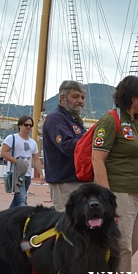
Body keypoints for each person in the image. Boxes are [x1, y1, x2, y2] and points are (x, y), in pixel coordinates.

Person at [92, 76, 138, 274]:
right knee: (124, 245)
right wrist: (106, 197)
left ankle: (106, 272)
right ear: (133, 97)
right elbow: (97, 158)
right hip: (120, 192)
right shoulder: (110, 120)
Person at [42, 80, 87, 211]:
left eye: (82, 97)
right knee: (67, 224)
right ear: (62, 98)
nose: (80, 101)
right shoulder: (56, 118)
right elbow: (67, 145)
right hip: (65, 182)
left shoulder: (73, 121)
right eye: (75, 96)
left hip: (76, 181)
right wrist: (92, 143)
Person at [0, 116, 44, 208]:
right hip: (16, 174)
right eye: (26, 124)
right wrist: (17, 162)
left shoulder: (33, 143)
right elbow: (3, 153)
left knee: (17, 200)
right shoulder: (11, 138)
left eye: (30, 125)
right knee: (22, 200)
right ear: (20, 125)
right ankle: (22, 217)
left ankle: (7, 218)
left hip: (27, 174)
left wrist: (40, 173)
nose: (28, 127)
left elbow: (36, 159)